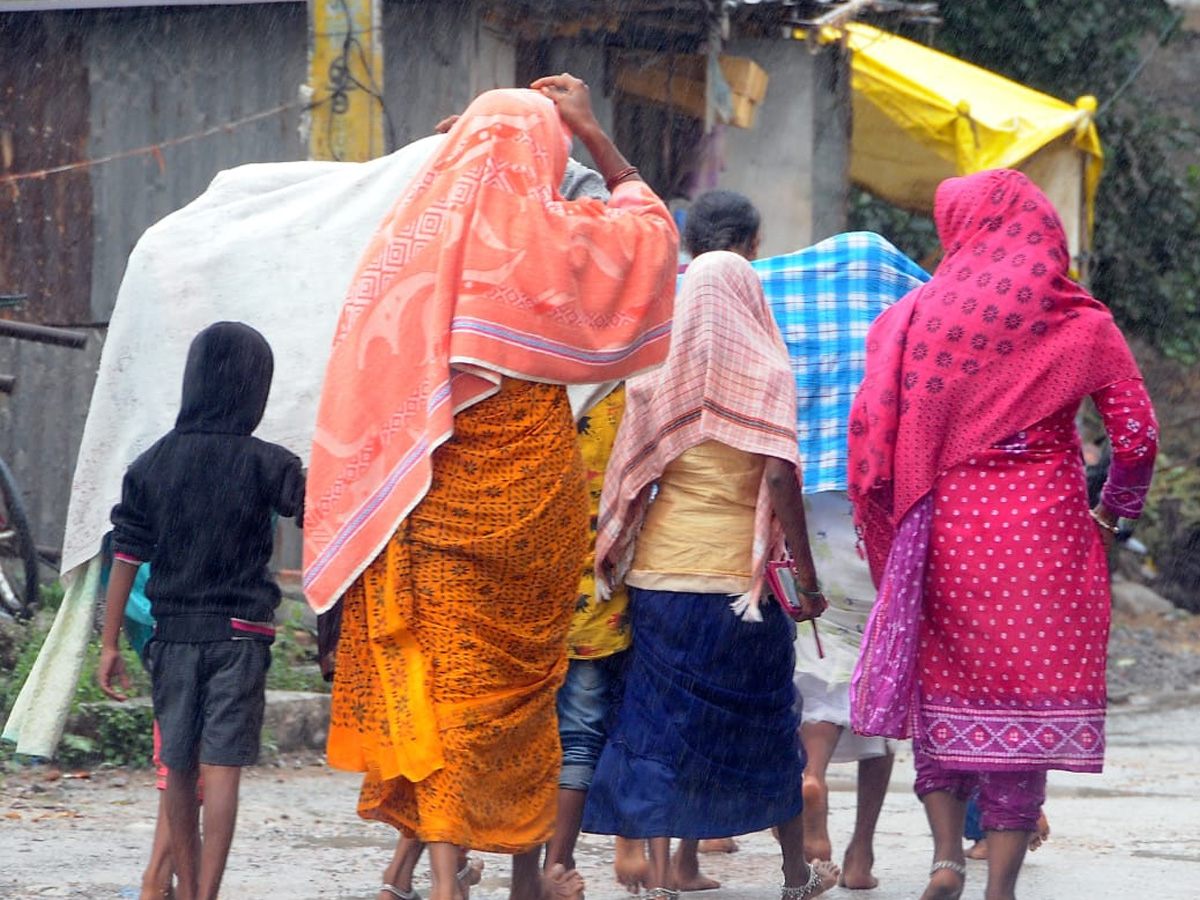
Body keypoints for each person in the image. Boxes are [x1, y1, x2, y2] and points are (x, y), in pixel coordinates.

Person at [302, 75, 678, 900]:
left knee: (446, 693)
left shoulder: (412, 246)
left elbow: (367, 399)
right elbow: (653, 232)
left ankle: (441, 876)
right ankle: (522, 874)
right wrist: (594, 134)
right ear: (549, 155)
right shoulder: (563, 240)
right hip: (538, 505)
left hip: (437, 507)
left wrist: (467, 144)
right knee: (525, 694)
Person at [847, 169, 1158, 900]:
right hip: (1045, 534)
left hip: (944, 530)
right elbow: (1137, 438)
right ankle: (1001, 887)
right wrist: (1113, 514)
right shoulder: (1082, 323)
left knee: (943, 688)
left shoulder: (913, 320)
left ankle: (946, 858)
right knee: (1026, 695)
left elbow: (871, 437)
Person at [583, 189, 839, 900]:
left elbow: (629, 478)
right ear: (753, 284)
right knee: (765, 729)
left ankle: (664, 875)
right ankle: (795, 873)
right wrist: (809, 582)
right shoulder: (768, 375)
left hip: (663, 580)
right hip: (742, 588)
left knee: (662, 730)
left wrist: (611, 551)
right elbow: (783, 480)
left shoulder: (655, 376)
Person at [98, 321, 306, 900]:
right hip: (240, 637)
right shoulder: (270, 463)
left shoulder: (151, 464)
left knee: (180, 768)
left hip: (172, 636)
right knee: (222, 769)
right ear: (254, 390)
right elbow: (322, 511)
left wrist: (111, 642)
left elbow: (126, 554)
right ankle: (207, 892)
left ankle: (183, 888)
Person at [753, 232, 930, 889]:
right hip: (875, 516)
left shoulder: (791, 311)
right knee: (877, 674)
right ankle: (861, 853)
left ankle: (810, 775)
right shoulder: (897, 318)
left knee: (816, 662)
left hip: (810, 518)